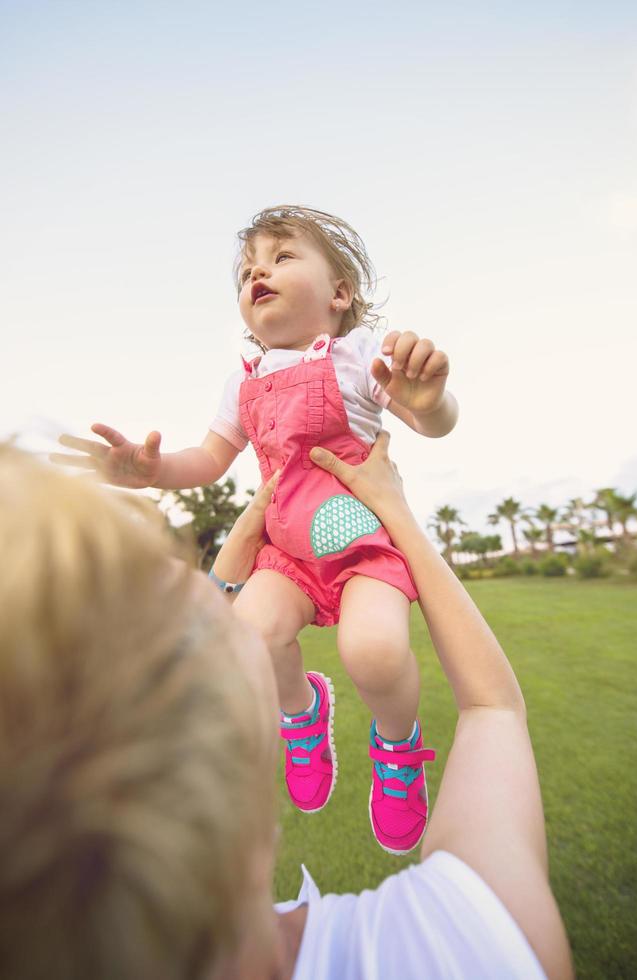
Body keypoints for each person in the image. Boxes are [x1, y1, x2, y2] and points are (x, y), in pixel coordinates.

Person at [0, 437, 573, 979]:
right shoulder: (463, 948)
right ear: (227, 741)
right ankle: (387, 743)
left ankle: (309, 713)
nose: (218, 586)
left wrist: (237, 549)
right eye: (189, 595)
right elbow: (491, 707)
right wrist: (395, 511)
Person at [52, 205, 459, 854]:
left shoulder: (356, 357)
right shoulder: (242, 384)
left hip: (363, 550)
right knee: (250, 638)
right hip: (287, 557)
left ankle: (397, 749)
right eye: (247, 270)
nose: (257, 273)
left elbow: (431, 423)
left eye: (281, 258)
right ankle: (304, 715)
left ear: (339, 294)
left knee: (374, 652)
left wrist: (430, 401)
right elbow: (209, 461)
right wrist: (152, 471)